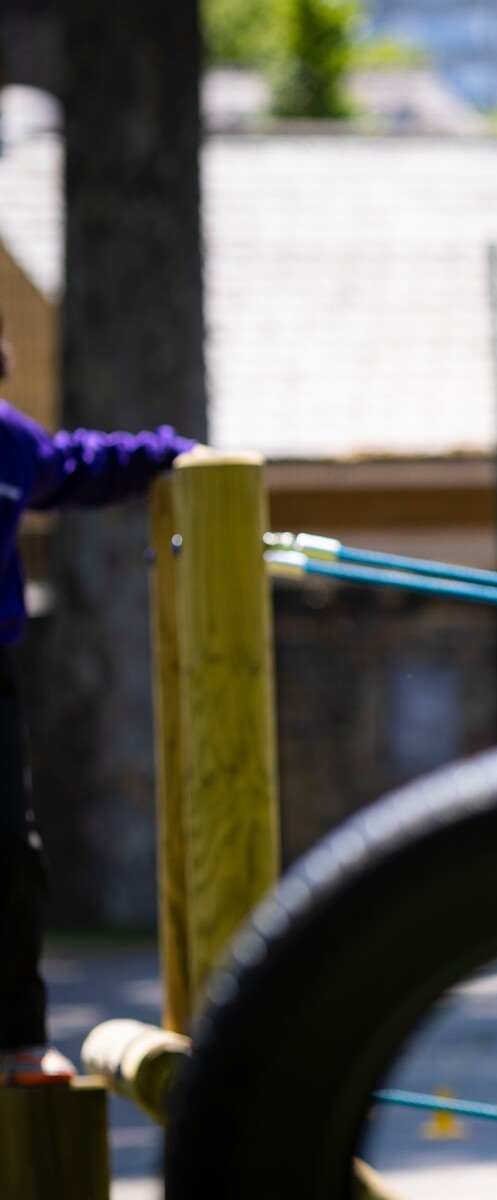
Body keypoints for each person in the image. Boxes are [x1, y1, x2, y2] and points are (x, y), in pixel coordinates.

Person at [0, 308, 197, 1084]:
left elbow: (78, 466)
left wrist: (176, 455)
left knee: (10, 852)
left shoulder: (13, 445)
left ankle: (16, 1038)